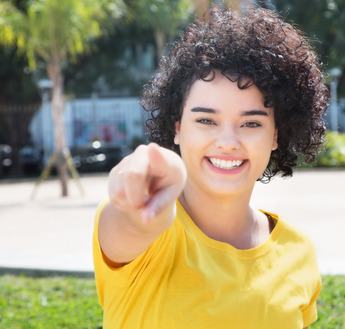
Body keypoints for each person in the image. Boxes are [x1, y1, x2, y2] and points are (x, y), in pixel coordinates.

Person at [93, 6, 329, 329]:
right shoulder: (150, 234)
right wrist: (137, 197)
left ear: (276, 135)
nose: (227, 141)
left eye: (250, 123)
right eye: (206, 120)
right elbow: (133, 223)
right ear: (177, 128)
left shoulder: (298, 251)